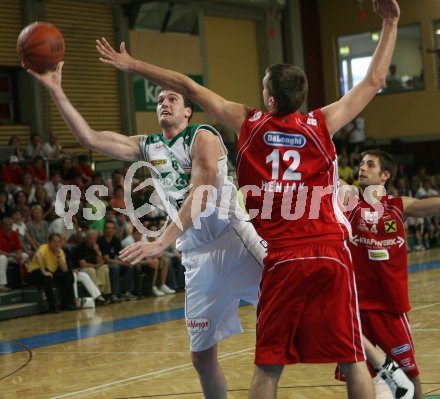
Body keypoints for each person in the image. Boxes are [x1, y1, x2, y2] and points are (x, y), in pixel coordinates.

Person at [92, 0, 400, 397]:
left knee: (269, 367)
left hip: (285, 255)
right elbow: (373, 82)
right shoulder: (322, 122)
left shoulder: (248, 121)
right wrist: (390, 22)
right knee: (353, 357)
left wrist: (133, 65)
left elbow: (186, 86)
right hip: (329, 251)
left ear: (269, 100)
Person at [27, 56, 265, 399]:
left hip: (236, 242)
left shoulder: (204, 136)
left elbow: (199, 195)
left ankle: (369, 362)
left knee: (301, 310)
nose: (164, 103)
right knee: (201, 358)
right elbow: (91, 139)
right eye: (159, 100)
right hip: (198, 259)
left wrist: (159, 242)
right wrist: (56, 91)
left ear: (187, 112)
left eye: (172, 98)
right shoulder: (148, 145)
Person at [340, 148, 435, 399]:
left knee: (409, 373)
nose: (362, 167)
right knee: (355, 371)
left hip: (389, 306)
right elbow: (326, 174)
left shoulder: (398, 206)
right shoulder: (349, 199)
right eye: (361, 163)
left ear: (385, 175)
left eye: (370, 165)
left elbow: (432, 205)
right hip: (355, 307)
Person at [27, 233, 76, 312]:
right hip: (34, 273)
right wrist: (43, 271)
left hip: (50, 272)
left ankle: (66, 304)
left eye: (59, 242)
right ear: (49, 242)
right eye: (55, 242)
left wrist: (59, 257)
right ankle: (52, 306)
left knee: (68, 275)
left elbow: (65, 269)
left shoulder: (60, 251)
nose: (57, 244)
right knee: (47, 276)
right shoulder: (44, 247)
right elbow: (37, 256)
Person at [98, 220, 137, 301]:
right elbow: (107, 259)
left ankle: (126, 292)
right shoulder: (101, 241)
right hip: (103, 265)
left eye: (112, 228)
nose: (110, 230)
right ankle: (114, 294)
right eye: (108, 228)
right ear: (104, 230)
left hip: (114, 262)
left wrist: (127, 261)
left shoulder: (116, 240)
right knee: (115, 267)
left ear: (115, 230)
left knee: (129, 266)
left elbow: (120, 255)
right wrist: (122, 263)